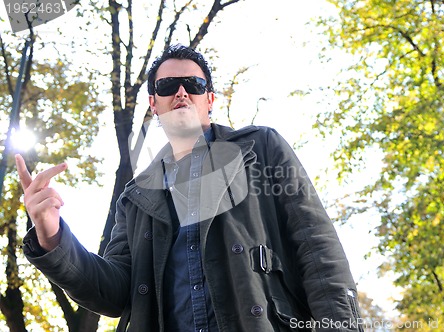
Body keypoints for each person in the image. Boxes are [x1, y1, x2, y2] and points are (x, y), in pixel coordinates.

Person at [17, 44, 364, 332]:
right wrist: (52, 237)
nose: (181, 92)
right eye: (168, 87)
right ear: (154, 105)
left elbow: (318, 252)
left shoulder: (261, 149)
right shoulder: (136, 198)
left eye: (193, 86)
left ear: (209, 99)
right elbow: (112, 292)